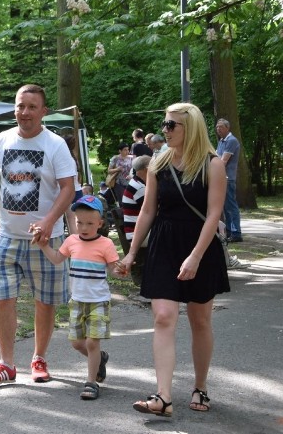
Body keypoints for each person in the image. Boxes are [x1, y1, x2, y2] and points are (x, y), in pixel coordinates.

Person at [119, 102, 230, 418]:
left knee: (200, 320)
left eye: (171, 125)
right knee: (164, 316)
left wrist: (195, 256)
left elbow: (213, 215)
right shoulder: (157, 162)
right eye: (164, 124)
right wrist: (131, 252)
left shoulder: (212, 165)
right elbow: (148, 211)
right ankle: (163, 397)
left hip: (200, 246)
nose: (164, 130)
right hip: (165, 245)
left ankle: (200, 385)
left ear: (190, 128)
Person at [0, 84, 76, 384]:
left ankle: (39, 358)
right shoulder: (1, 140)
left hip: (45, 239)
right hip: (7, 236)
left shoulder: (55, 145)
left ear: (43, 111)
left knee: (45, 302)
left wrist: (48, 222)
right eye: (20, 106)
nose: (24, 112)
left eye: (31, 107)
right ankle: (6, 363)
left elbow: (68, 188)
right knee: (3, 298)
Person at [30, 195, 121, 400]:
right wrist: (44, 245)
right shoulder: (71, 241)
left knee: (91, 343)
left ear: (100, 223)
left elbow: (113, 269)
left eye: (90, 223)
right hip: (77, 301)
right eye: (79, 222)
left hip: (98, 300)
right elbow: (56, 259)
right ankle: (100, 359)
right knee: (77, 344)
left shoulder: (105, 244)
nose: (84, 227)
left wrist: (120, 271)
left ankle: (91, 382)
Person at [121, 155, 151, 286]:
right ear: (146, 169)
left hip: (135, 231)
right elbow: (154, 210)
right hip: (138, 233)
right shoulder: (140, 188)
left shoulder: (136, 183)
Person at [215, 119, 243, 243]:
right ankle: (230, 232)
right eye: (217, 127)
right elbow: (216, 157)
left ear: (227, 128)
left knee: (231, 206)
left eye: (220, 127)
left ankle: (236, 233)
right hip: (222, 178)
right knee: (226, 207)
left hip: (228, 178)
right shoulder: (222, 141)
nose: (218, 129)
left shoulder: (231, 141)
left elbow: (222, 161)